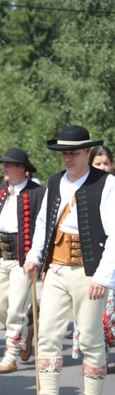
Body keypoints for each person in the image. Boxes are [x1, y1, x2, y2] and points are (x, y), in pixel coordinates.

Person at [18, 125, 115, 395]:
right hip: (57, 268)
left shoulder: (107, 183)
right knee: (46, 333)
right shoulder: (55, 181)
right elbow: (44, 223)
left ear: (87, 151)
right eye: (63, 154)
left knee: (89, 337)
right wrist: (35, 256)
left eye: (73, 153)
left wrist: (102, 276)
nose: (67, 159)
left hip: (89, 271)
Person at [0, 147, 45, 373]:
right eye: (3, 164)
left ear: (22, 169)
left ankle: (11, 355)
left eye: (9, 164)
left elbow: (43, 228)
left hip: (22, 260)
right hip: (0, 257)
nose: (4, 168)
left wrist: (37, 258)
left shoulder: (38, 192)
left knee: (15, 309)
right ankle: (25, 331)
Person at [71, 145, 115, 363]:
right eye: (98, 163)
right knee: (96, 313)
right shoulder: (86, 189)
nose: (103, 167)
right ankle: (98, 356)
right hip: (97, 260)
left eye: (106, 163)